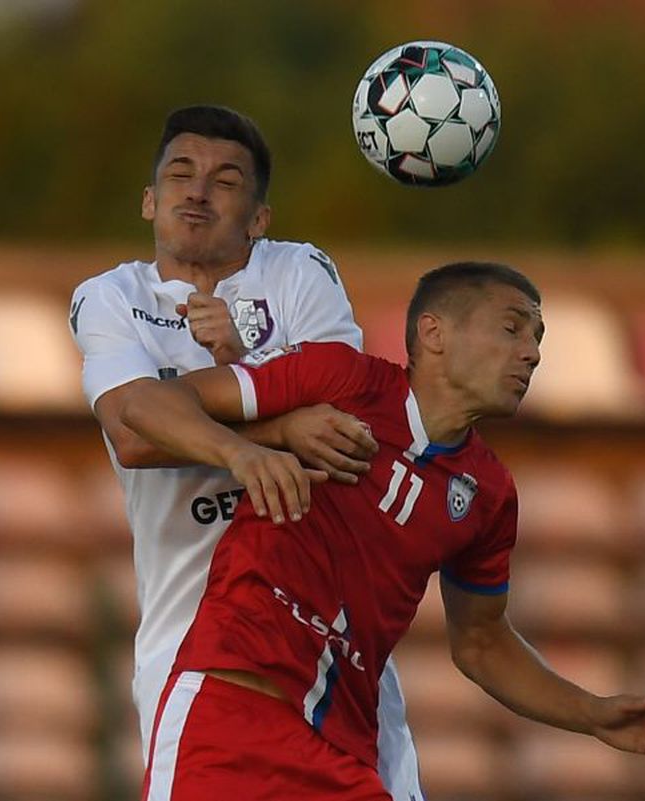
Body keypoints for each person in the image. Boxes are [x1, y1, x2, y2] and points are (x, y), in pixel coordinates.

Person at [114, 262, 645, 799]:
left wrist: (590, 712)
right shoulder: (341, 379)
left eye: (538, 338)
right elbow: (144, 405)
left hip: (339, 753)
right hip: (230, 714)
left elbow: (481, 641)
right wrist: (247, 451)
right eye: (512, 329)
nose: (531, 353)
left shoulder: (489, 495)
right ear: (433, 333)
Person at [70, 105, 424, 799]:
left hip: (327, 648)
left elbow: (348, 421)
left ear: (260, 217)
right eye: (180, 174)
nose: (197, 191)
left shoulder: (297, 270)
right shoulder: (110, 297)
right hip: (192, 641)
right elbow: (134, 433)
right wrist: (265, 440)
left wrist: (238, 361)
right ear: (149, 200)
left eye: (225, 180)